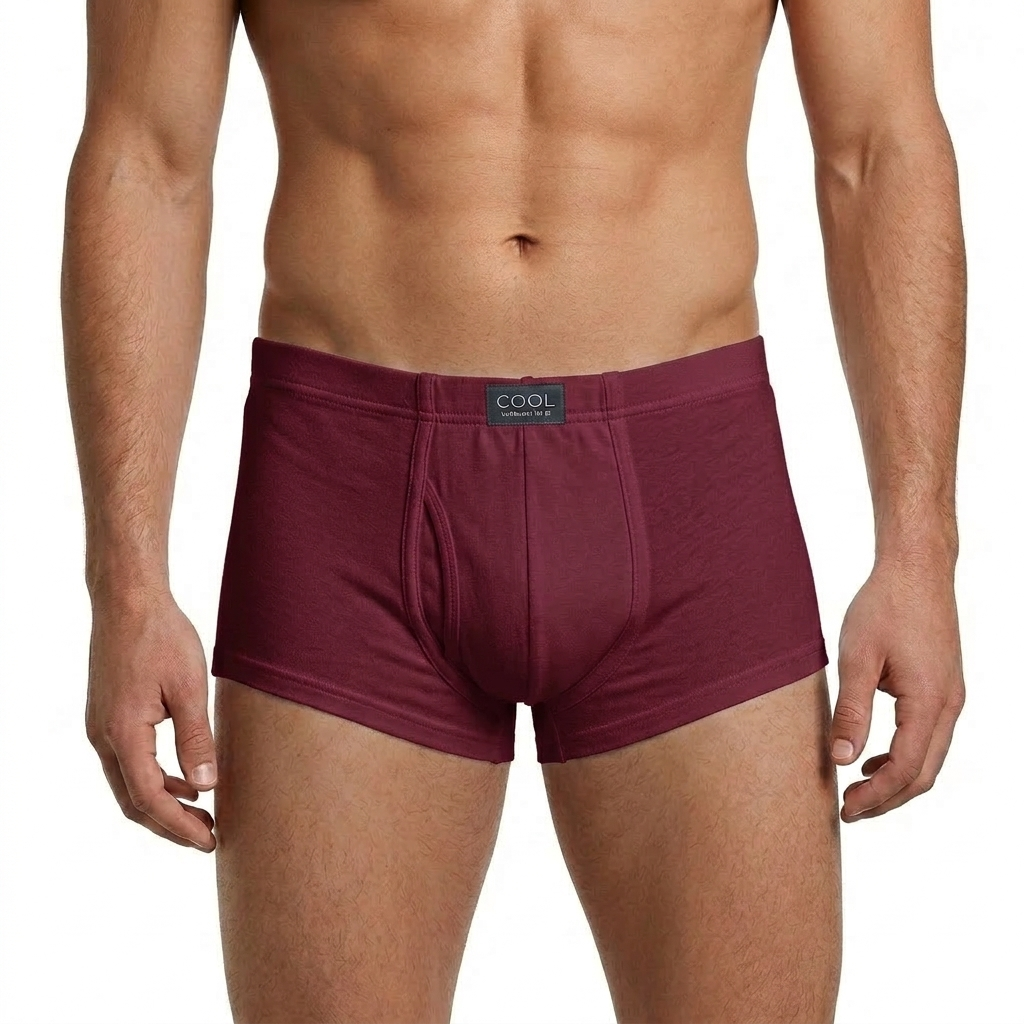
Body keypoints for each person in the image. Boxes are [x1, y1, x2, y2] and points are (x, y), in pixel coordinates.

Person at [60, 0, 966, 1020]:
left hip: (689, 488)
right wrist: (125, 583)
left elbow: (879, 146)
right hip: (348, 498)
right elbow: (145, 156)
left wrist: (919, 550)